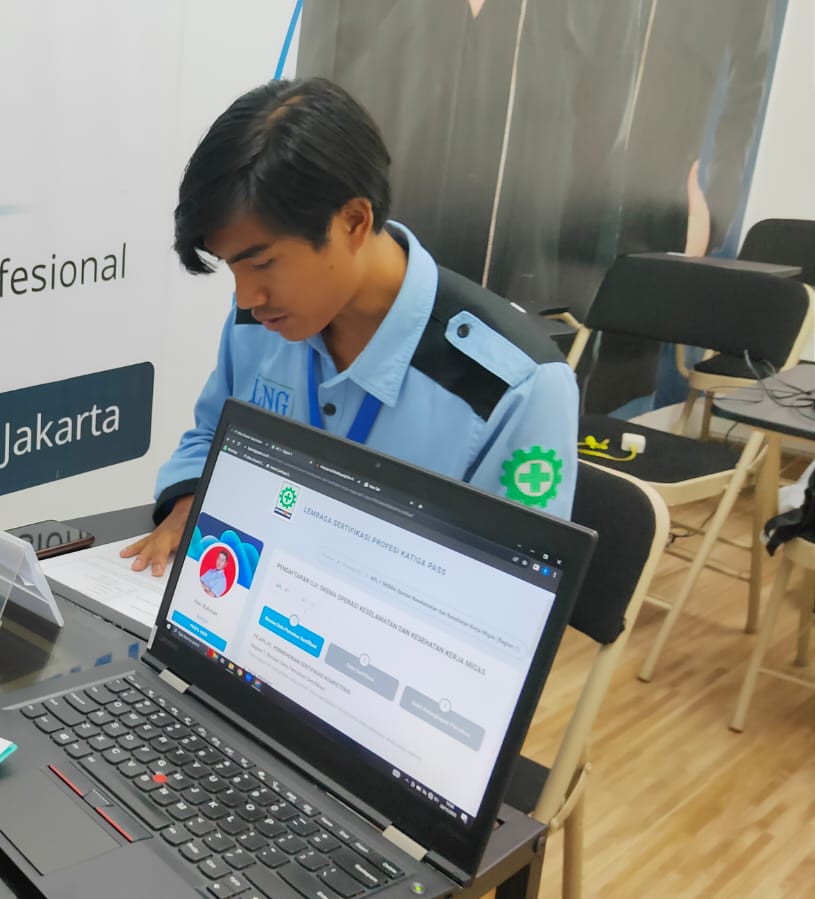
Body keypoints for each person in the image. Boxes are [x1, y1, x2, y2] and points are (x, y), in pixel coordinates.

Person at [125, 78, 578, 576]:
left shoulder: (515, 388)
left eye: (263, 263)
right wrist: (191, 501)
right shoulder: (258, 323)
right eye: (232, 266)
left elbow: (511, 588)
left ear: (354, 222)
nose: (248, 297)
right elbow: (212, 434)